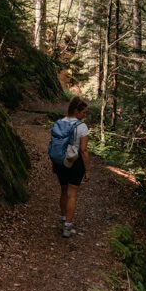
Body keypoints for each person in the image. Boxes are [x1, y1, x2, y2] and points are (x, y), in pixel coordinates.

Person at [53, 97, 91, 238]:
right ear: (76, 111)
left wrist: (54, 164)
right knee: (72, 194)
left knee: (63, 191)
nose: (85, 115)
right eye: (84, 112)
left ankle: (63, 220)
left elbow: (54, 145)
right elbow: (84, 150)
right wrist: (87, 170)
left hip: (60, 162)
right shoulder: (82, 127)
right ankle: (68, 227)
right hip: (75, 163)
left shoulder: (58, 123)